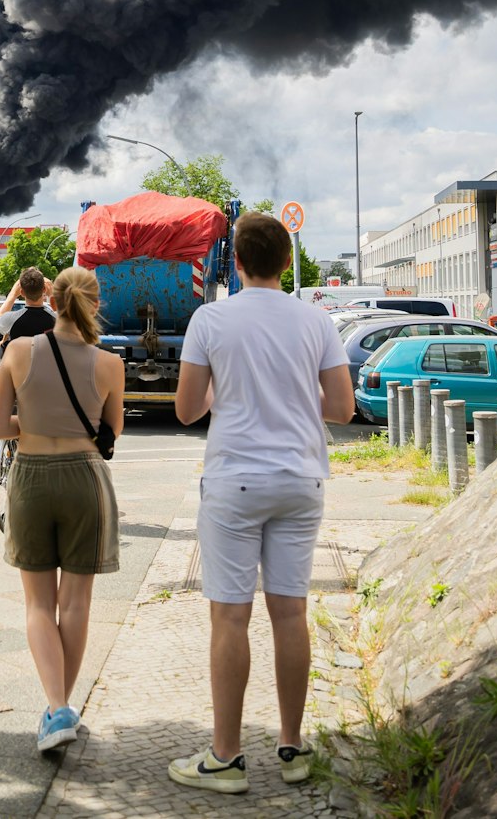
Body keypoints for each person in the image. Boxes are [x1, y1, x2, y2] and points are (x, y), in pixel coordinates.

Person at [166, 213, 356, 795]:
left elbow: (186, 409)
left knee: (230, 615)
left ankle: (226, 758)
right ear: (283, 259)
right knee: (290, 612)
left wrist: (231, 388)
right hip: (301, 479)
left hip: (236, 482)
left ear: (238, 263)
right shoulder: (317, 319)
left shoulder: (210, 318)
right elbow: (343, 409)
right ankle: (293, 747)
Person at [0, 266, 124, 753]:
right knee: (77, 604)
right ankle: (62, 707)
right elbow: (112, 431)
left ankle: (56, 707)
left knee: (38, 604)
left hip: (31, 478)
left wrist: (34, 421)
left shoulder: (19, 352)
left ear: (52, 297)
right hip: (86, 480)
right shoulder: (110, 363)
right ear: (94, 303)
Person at [0, 266, 57, 347]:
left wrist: (12, 294)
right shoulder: (56, 319)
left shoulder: (11, 319)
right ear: (44, 289)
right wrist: (52, 293)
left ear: (22, 292)